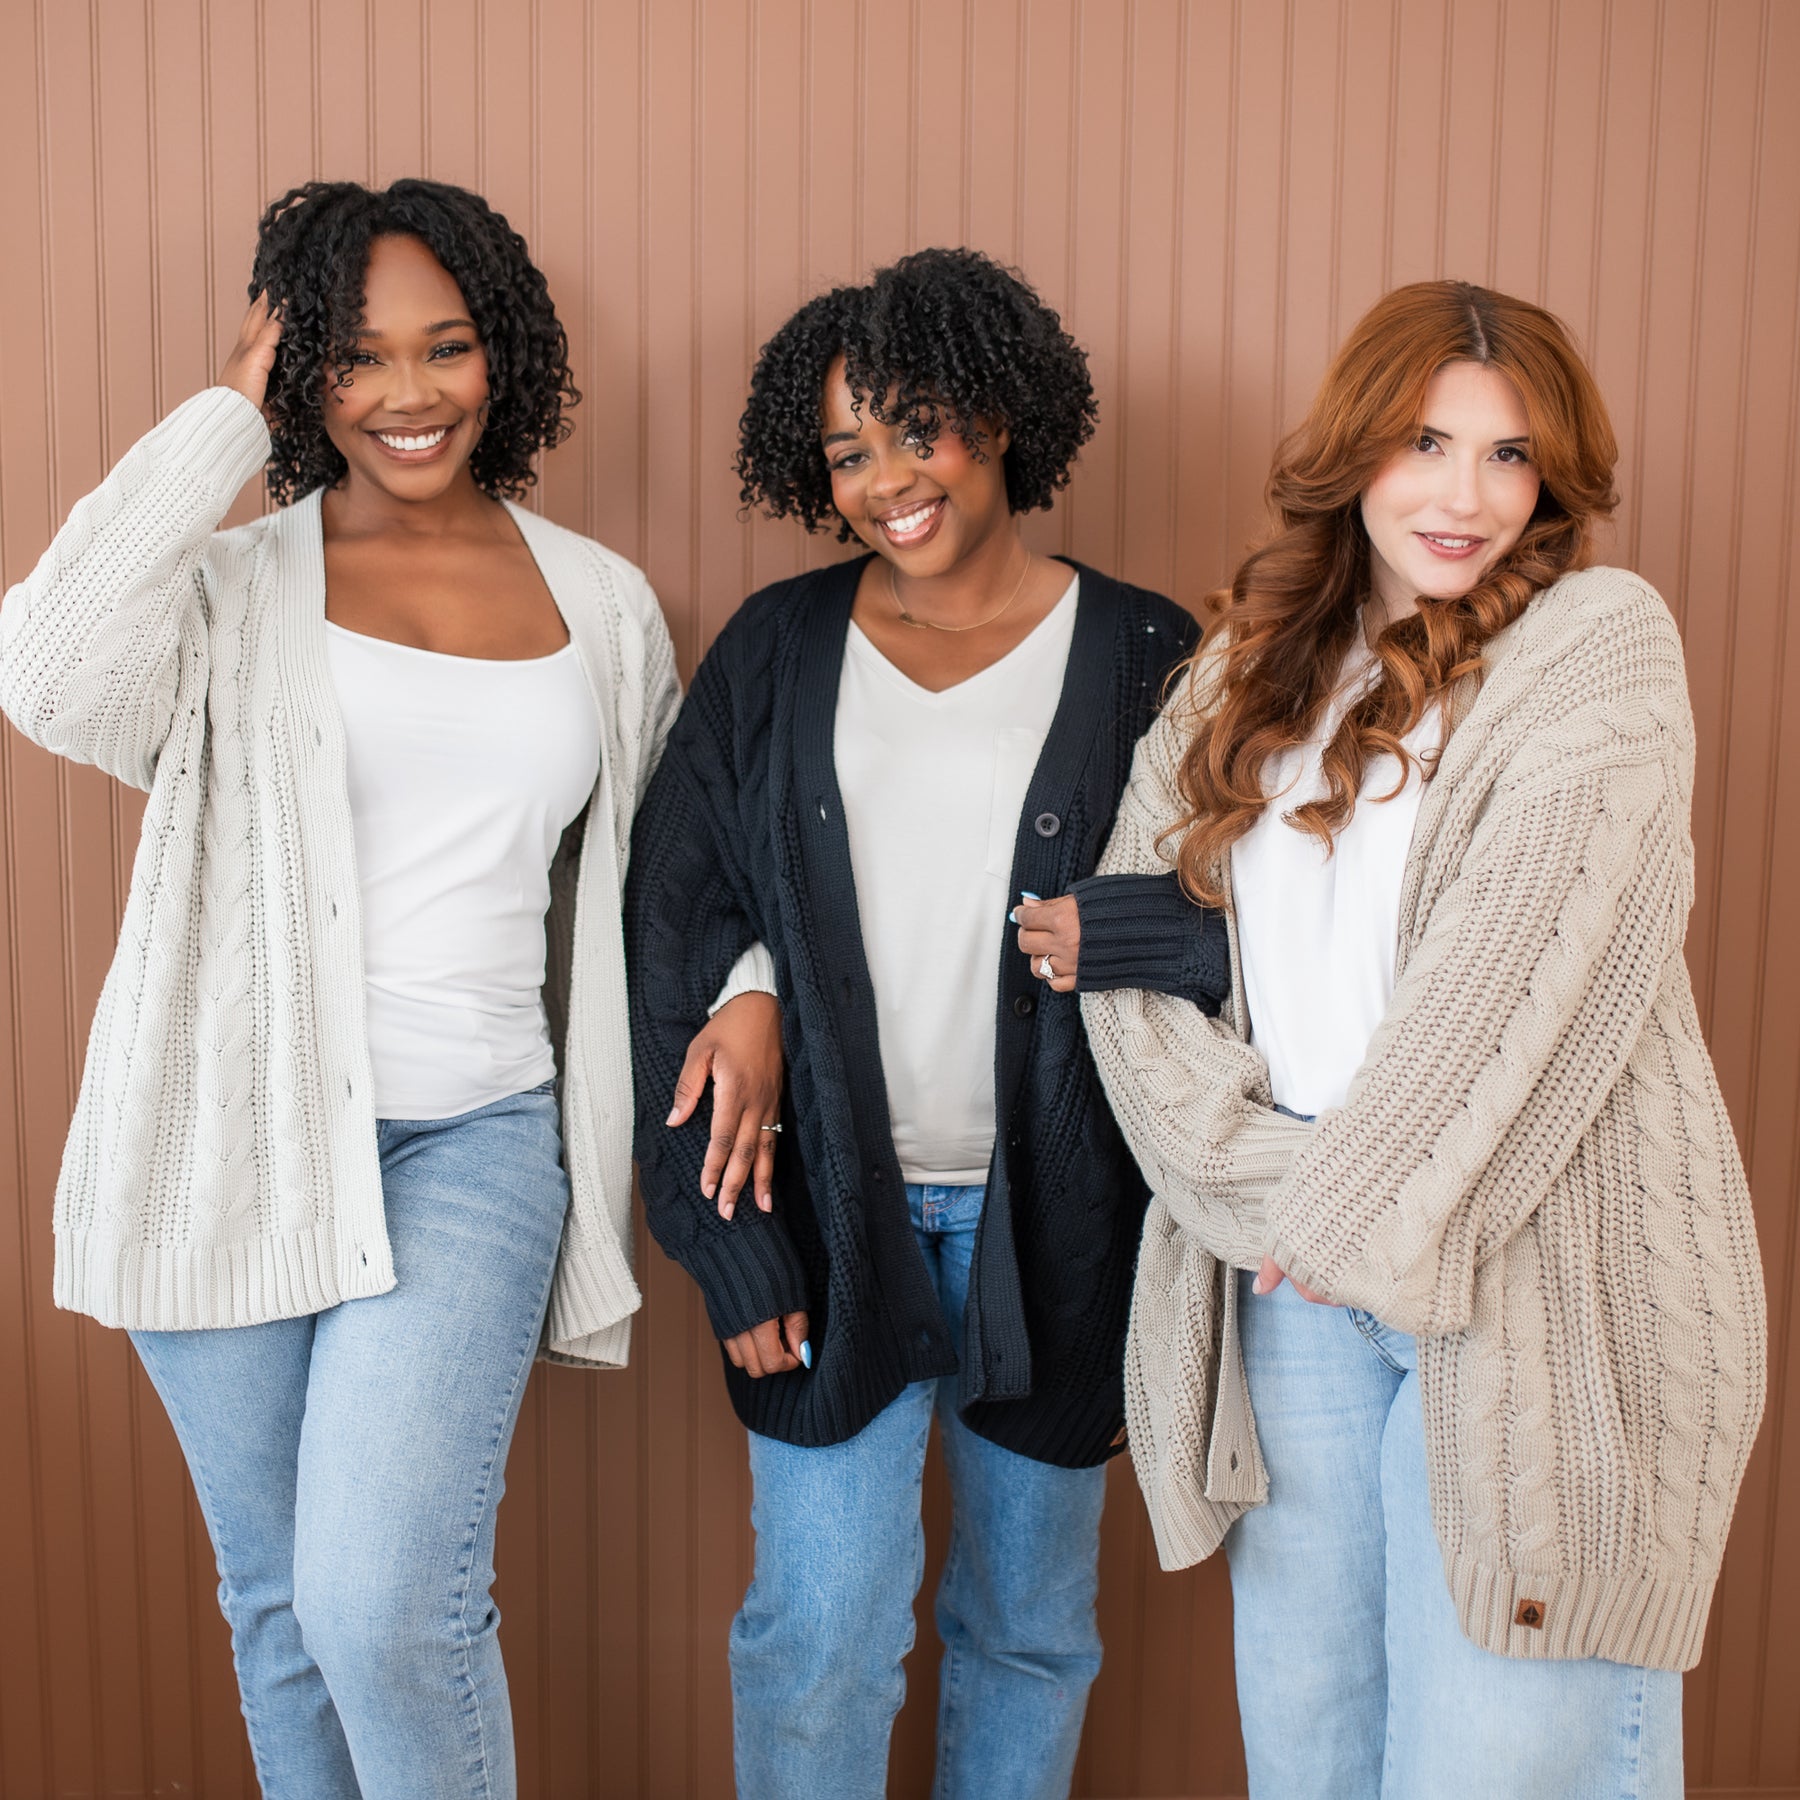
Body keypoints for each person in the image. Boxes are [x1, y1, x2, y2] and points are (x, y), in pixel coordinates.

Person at [0, 177, 776, 1800]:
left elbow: (684, 865)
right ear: (304, 378)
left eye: (448, 347)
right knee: (280, 1612)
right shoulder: (223, 597)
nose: (409, 395)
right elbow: (45, 665)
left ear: (506, 356)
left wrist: (756, 983)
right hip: (221, 1143)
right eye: (354, 359)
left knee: (380, 1607)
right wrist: (223, 417)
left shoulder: (602, 603)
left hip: (474, 1140)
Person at [1019, 279, 1767, 1799]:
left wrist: (1327, 1213)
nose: (1465, 494)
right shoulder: (1242, 680)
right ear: (1356, 447)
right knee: (1312, 1758)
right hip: (1295, 1299)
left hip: (1528, 1283)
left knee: (1494, 1765)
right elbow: (1129, 972)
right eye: (1428, 441)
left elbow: (1510, 988)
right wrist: (1265, 1198)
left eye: (1510, 457)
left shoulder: (1596, 644)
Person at [625, 246, 1227, 1799]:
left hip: (1072, 1223)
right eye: (847, 449)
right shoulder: (773, 653)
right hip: (828, 1214)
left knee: (1025, 1628)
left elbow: (1267, 920)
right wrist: (731, 1230)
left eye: (918, 427)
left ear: (1006, 419)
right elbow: (678, 923)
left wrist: (1135, 930)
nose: (888, 478)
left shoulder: (1154, 657)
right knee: (820, 1633)